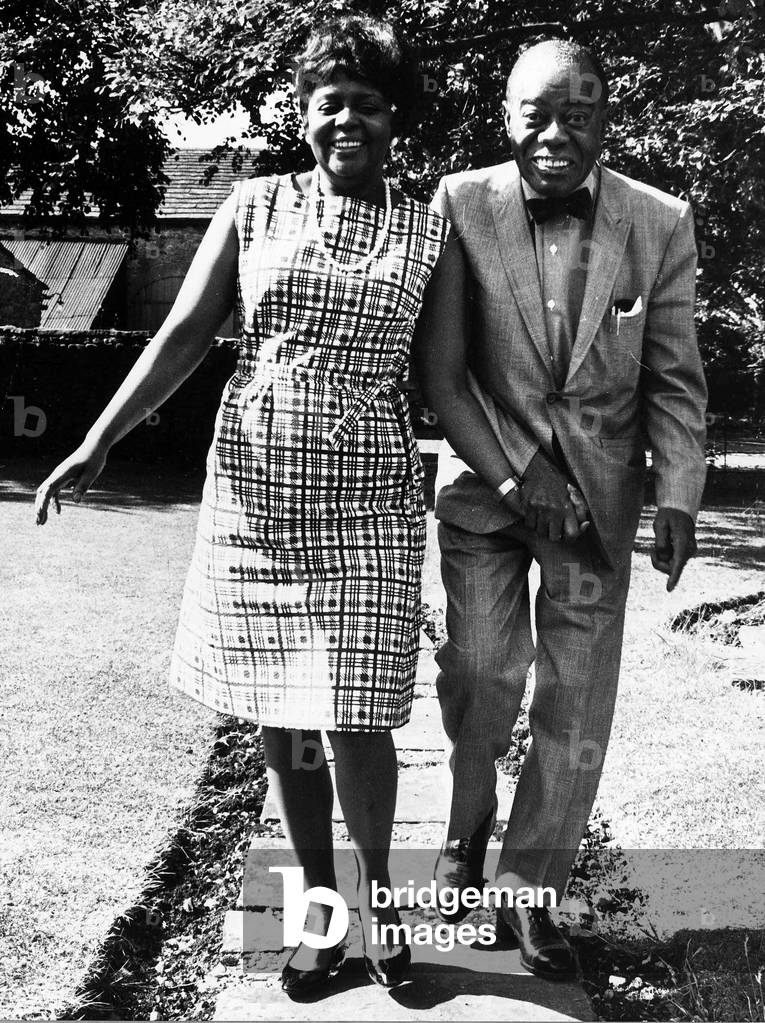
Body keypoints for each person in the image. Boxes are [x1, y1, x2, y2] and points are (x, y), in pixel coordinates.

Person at [35, 13, 450, 996]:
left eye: (366, 102)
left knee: (358, 719)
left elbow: (448, 382)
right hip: (256, 502)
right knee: (284, 719)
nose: (344, 116)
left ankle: (383, 909)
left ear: (397, 120)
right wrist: (99, 440)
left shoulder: (432, 228)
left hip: (371, 501)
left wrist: (524, 472)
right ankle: (320, 917)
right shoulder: (254, 207)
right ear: (305, 113)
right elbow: (181, 337)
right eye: (327, 100)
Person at [414, 38, 707, 980]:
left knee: (574, 705)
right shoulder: (459, 202)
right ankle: (466, 820)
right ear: (506, 116)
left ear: (604, 122)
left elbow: (673, 373)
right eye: (535, 112)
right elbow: (445, 370)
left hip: (600, 507)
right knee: (484, 673)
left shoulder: (658, 221)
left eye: (576, 114)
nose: (553, 132)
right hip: (485, 489)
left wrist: (677, 491)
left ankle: (528, 891)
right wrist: (512, 472)